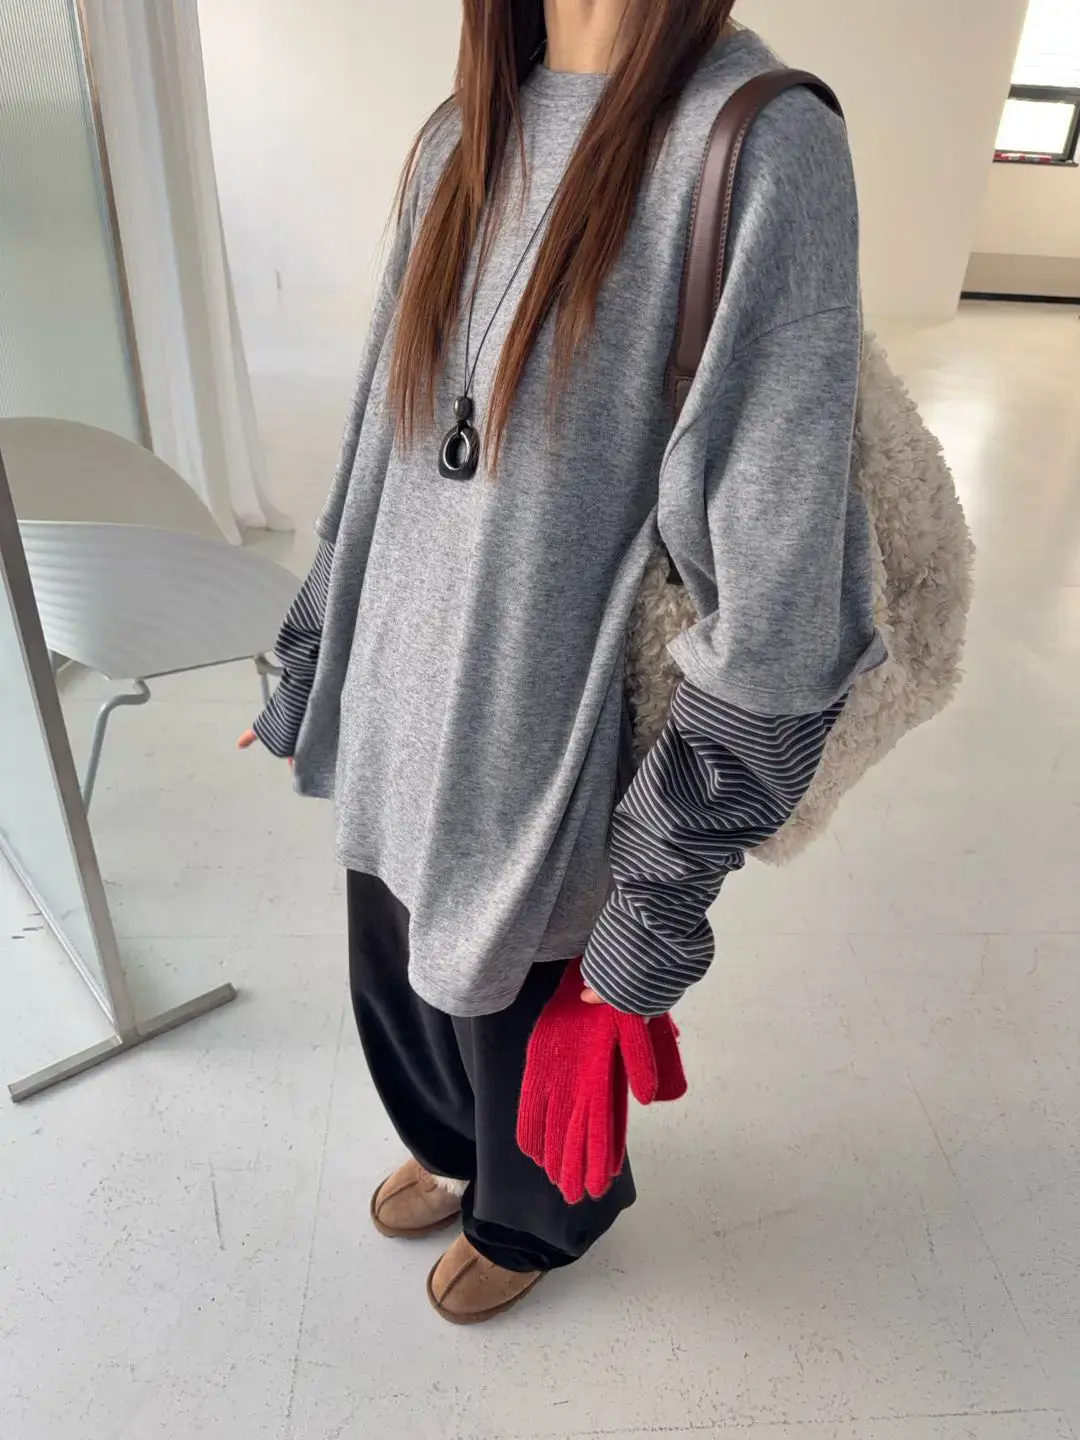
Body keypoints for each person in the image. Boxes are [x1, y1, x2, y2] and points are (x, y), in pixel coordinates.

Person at [239, 0, 884, 1324]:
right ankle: (452, 1147)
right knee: (403, 984)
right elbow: (379, 441)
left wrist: (657, 902)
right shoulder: (462, 131)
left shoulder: (757, 143)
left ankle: (531, 1223)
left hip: (542, 738)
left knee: (522, 1029)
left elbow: (779, 607)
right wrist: (316, 658)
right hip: (402, 701)